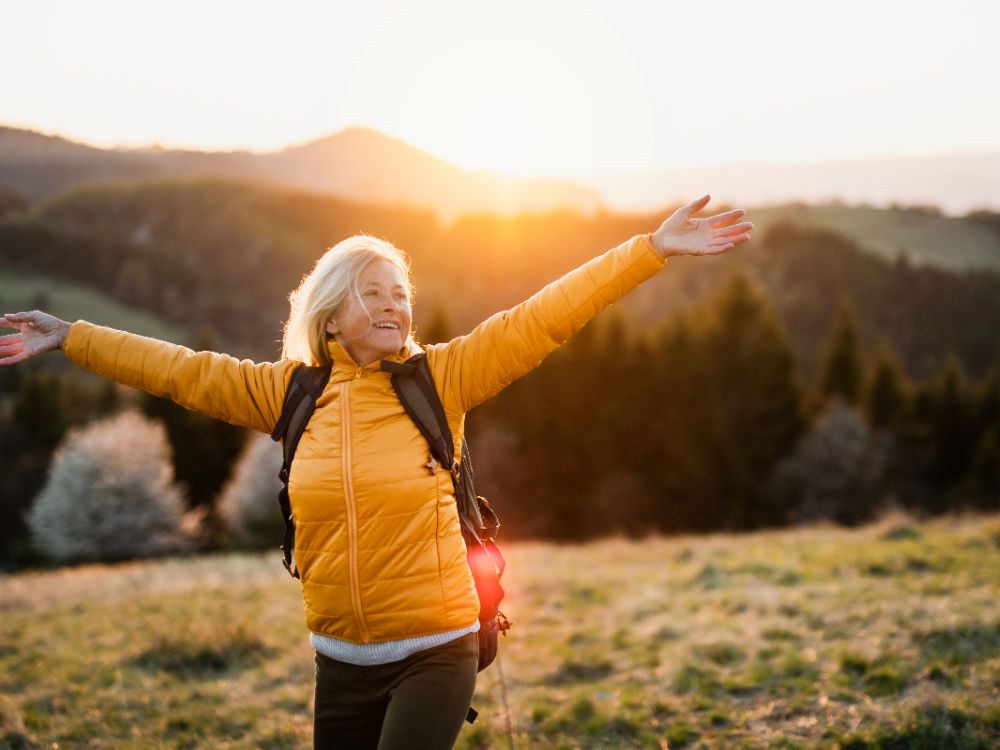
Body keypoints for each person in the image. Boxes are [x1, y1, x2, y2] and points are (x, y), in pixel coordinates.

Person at [0, 193, 751, 749]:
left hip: (438, 647)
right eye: (374, 292)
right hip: (339, 658)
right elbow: (181, 372)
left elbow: (544, 315)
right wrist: (73, 337)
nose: (394, 304)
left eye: (402, 294)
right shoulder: (288, 394)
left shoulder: (441, 380)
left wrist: (648, 248)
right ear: (332, 313)